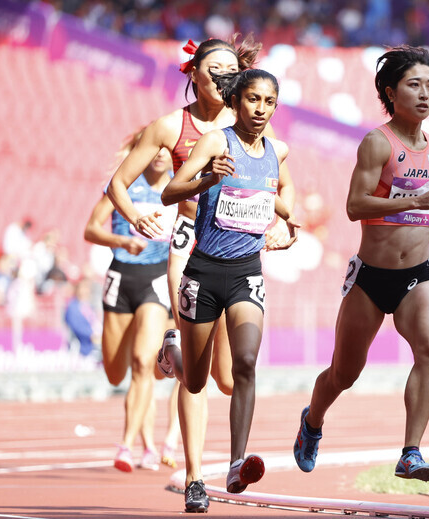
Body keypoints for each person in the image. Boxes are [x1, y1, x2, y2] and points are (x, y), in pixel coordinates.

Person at [106, 35, 295, 513]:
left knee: (229, 379)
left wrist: (286, 226)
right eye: (215, 67)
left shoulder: (251, 119)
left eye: (233, 68)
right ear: (193, 72)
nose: (225, 75)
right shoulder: (173, 125)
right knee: (199, 379)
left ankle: (174, 351)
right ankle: (195, 476)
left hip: (240, 247)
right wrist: (137, 216)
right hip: (190, 243)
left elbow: (277, 186)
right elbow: (117, 184)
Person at [292, 45, 429, 482]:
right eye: (414, 85)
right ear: (391, 93)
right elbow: (356, 205)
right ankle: (312, 421)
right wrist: (416, 199)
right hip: (371, 279)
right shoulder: (377, 143)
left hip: (418, 274)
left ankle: (412, 451)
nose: (425, 94)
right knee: (344, 373)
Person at [162, 66, 298, 495]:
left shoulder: (278, 150)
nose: (261, 109)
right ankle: (172, 353)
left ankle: (237, 463)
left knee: (244, 364)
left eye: (269, 101)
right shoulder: (216, 141)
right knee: (197, 381)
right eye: (253, 99)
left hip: (246, 275)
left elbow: (286, 192)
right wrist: (208, 178)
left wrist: (287, 227)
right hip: (202, 271)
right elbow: (170, 192)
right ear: (237, 101)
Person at [83, 137, 174, 473]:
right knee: (114, 372)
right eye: (157, 149)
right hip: (120, 278)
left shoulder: (179, 189)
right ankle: (142, 441)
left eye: (169, 150)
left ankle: (128, 445)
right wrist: (120, 240)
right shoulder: (122, 187)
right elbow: (91, 229)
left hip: (155, 280)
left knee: (141, 362)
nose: (162, 156)